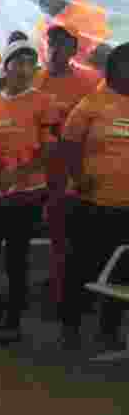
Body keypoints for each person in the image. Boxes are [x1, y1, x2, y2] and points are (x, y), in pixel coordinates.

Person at [0, 40, 60, 343]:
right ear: (5, 67)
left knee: (16, 259)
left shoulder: (43, 102)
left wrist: (19, 174)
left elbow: (50, 150)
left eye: (29, 63)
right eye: (17, 62)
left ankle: (12, 323)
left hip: (27, 193)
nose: (23, 69)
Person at [57, 42, 129, 352]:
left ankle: (109, 331)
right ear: (114, 68)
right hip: (91, 204)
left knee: (121, 273)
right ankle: (70, 326)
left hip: (126, 208)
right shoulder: (93, 103)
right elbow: (69, 143)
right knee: (81, 266)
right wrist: (79, 177)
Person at [33, 22, 103, 310]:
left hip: (77, 169)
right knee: (55, 232)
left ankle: (75, 293)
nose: (55, 50)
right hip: (39, 169)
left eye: (62, 44)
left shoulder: (91, 81)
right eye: (51, 43)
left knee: (77, 233)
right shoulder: (34, 80)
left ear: (74, 49)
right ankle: (59, 290)